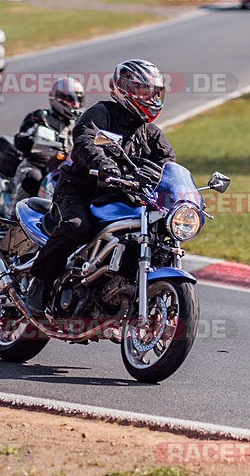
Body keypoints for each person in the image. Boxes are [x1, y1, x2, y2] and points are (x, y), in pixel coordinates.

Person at [23, 60, 175, 318]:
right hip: (79, 189)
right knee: (76, 227)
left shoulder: (151, 133)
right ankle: (40, 283)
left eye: (154, 93)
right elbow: (85, 139)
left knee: (158, 235)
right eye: (143, 92)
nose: (150, 98)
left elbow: (168, 165)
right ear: (123, 89)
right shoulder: (102, 113)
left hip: (122, 195)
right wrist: (103, 164)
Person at [10, 77, 85, 204]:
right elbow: (20, 139)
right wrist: (35, 142)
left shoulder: (81, 123)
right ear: (56, 98)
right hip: (38, 164)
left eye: (79, 99)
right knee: (33, 177)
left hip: (66, 166)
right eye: (70, 99)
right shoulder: (40, 118)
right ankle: (14, 217)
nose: (76, 104)